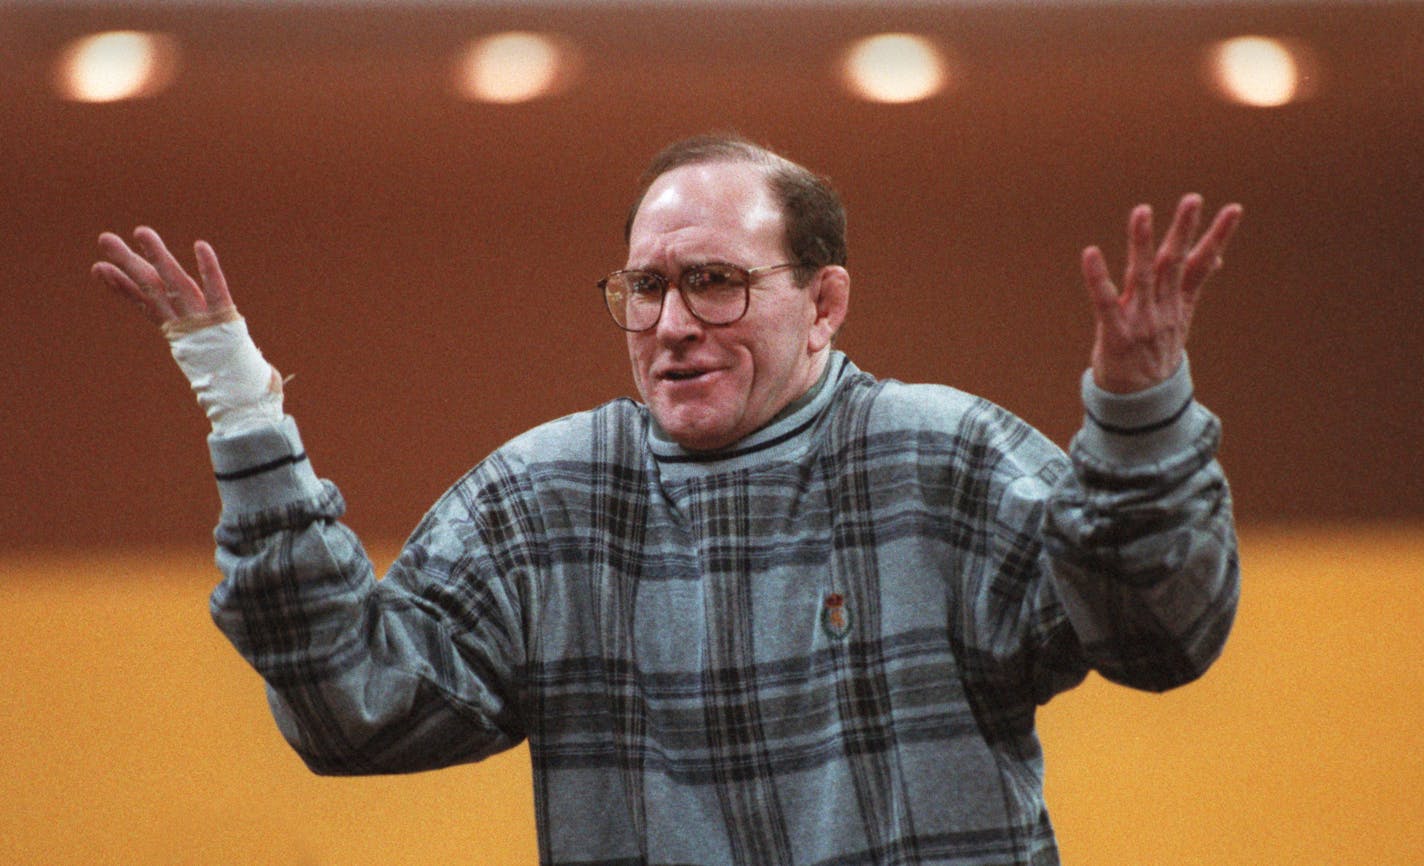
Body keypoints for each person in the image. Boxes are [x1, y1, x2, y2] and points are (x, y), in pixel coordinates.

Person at [92, 135, 1242, 866]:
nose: (671, 322)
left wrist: (1136, 417)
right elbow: (357, 709)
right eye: (644, 287)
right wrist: (245, 412)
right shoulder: (547, 497)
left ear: (824, 299)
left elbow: (1157, 632)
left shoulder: (940, 458)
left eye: (714, 281)